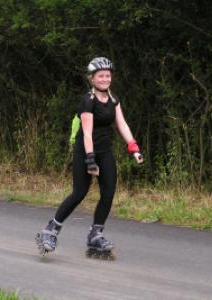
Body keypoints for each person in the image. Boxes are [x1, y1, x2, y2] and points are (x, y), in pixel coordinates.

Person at [36, 57, 143, 259]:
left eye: (107, 76)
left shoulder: (113, 100)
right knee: (79, 193)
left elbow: (122, 125)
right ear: (92, 78)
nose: (105, 79)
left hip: (105, 151)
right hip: (85, 151)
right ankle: (51, 230)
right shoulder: (88, 101)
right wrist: (90, 160)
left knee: (108, 192)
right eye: (100, 76)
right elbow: (87, 133)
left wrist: (134, 148)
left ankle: (96, 234)